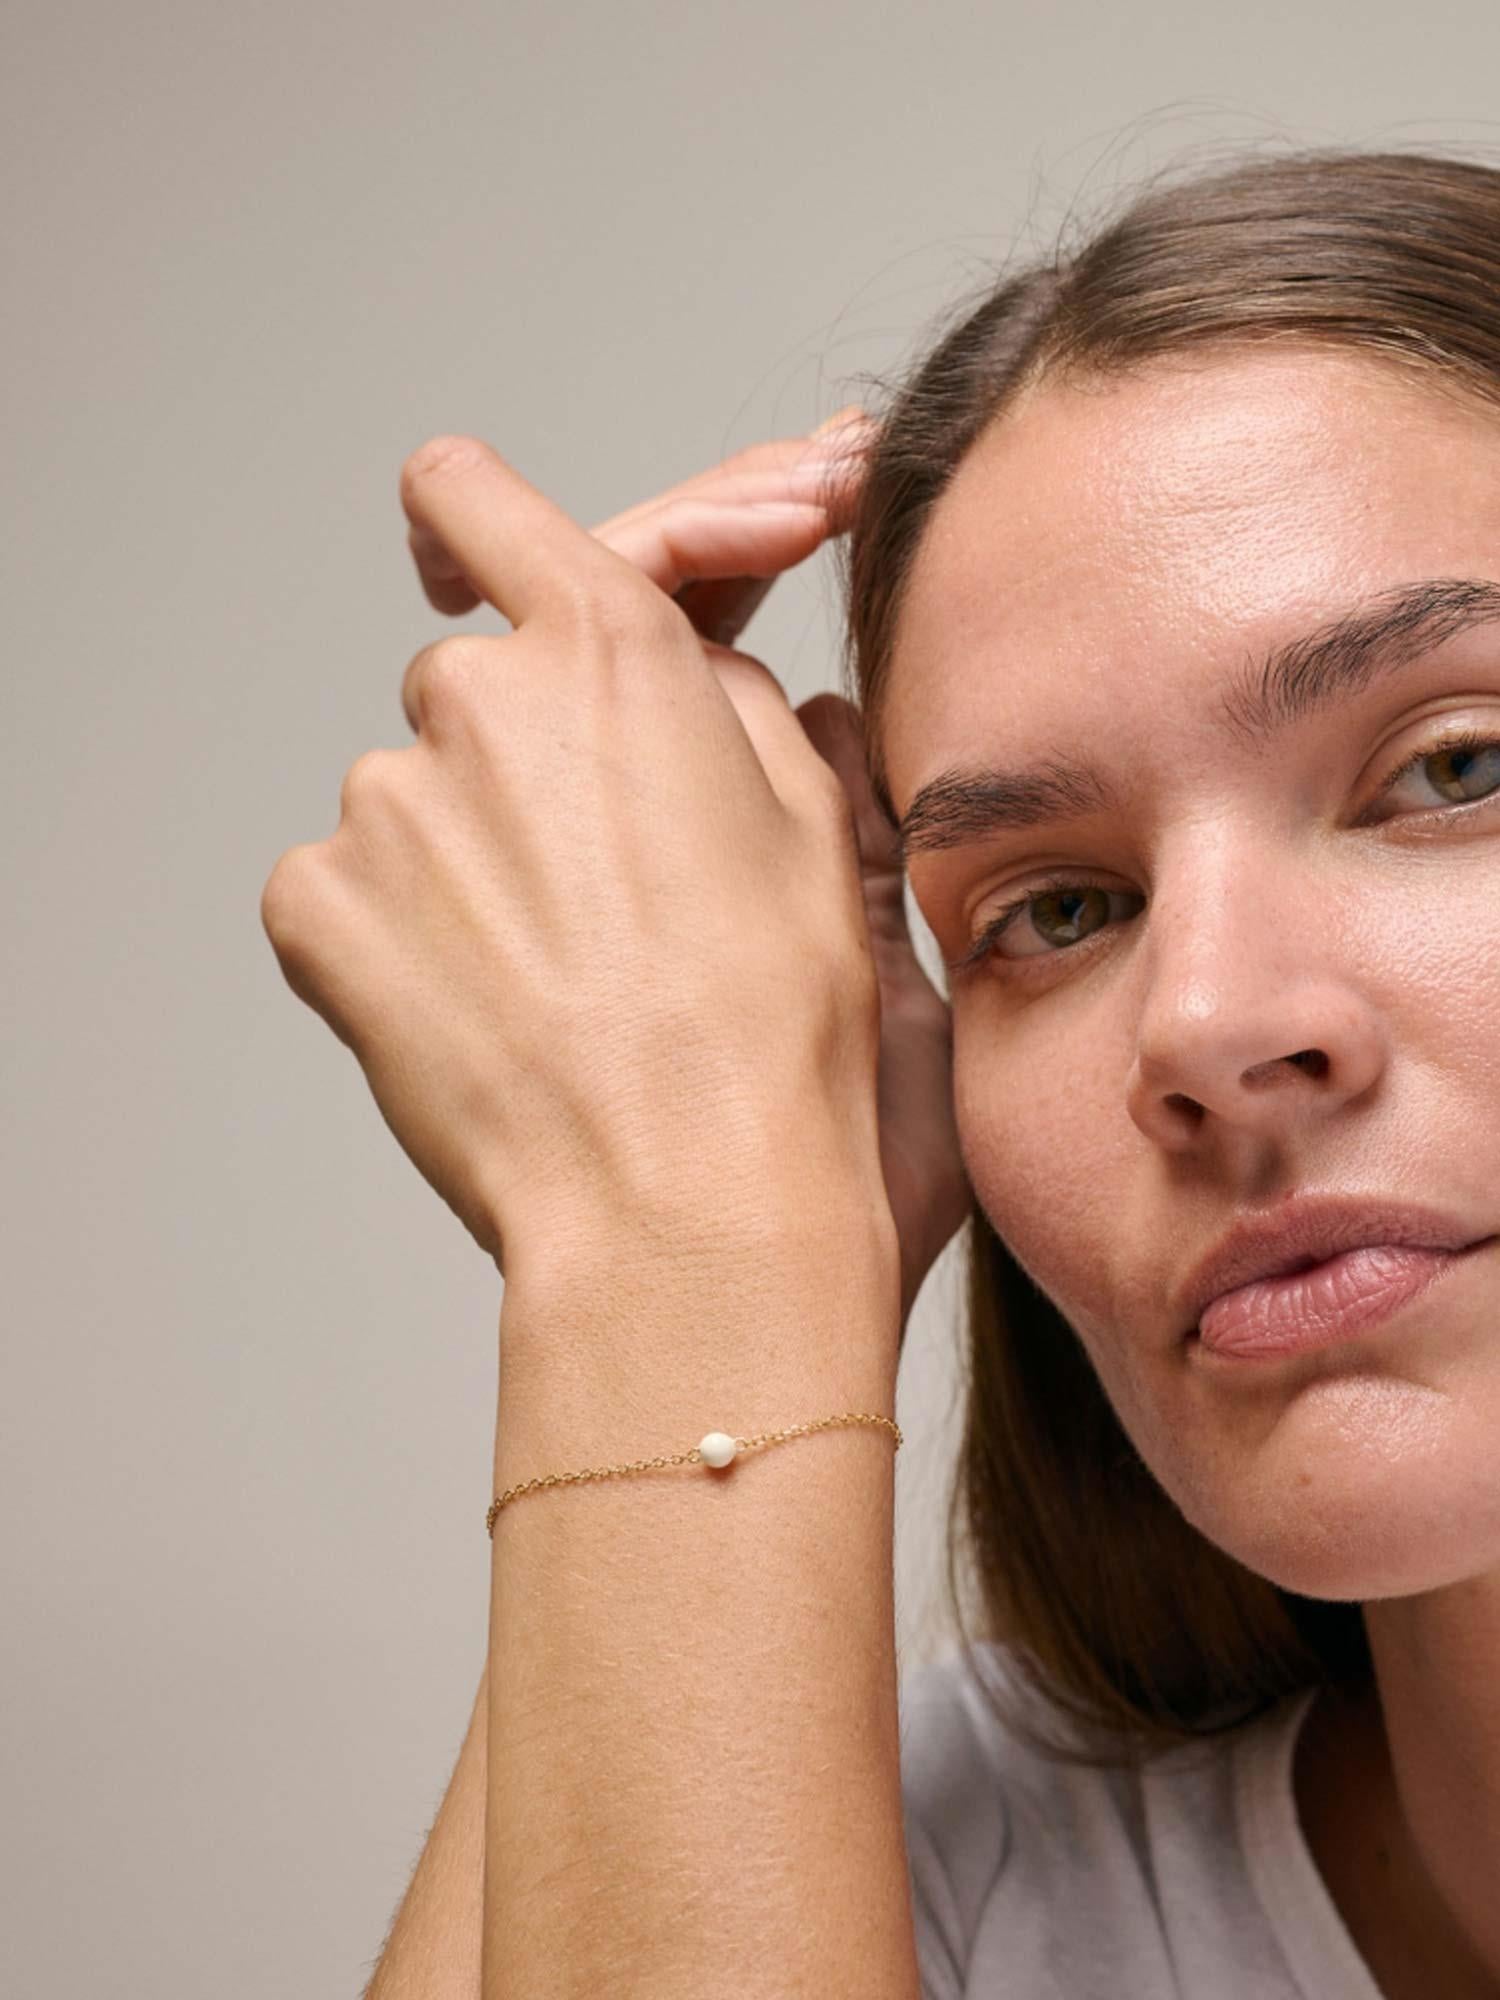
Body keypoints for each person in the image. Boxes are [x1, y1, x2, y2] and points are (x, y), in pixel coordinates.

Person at [260, 143, 1500, 1999]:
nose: (1205, 1024)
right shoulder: (936, 1870)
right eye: (1062, 908)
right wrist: (684, 1174)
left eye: (1457, 768)